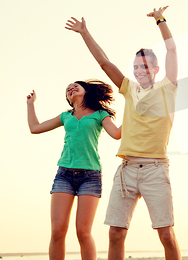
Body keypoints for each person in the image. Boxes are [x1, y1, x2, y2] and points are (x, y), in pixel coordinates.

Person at [65, 6, 181, 260]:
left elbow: (172, 49)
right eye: (136, 66)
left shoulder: (168, 89)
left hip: (155, 169)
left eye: (145, 66)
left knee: (166, 235)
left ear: (156, 68)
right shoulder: (129, 89)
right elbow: (104, 62)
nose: (140, 70)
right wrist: (85, 32)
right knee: (115, 233)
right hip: (126, 169)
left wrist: (160, 20)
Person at [27, 80, 121, 260]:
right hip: (64, 175)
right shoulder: (65, 116)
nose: (71, 88)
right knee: (57, 231)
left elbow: (117, 134)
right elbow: (35, 128)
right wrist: (30, 104)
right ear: (69, 99)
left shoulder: (100, 114)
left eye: (76, 85)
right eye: (68, 88)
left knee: (83, 232)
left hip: (90, 176)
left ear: (86, 91)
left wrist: (136, 115)